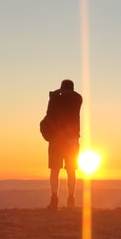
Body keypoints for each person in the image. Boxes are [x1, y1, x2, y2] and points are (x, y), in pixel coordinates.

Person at [40, 79, 83, 209]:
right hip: (72, 140)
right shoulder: (78, 99)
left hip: (57, 140)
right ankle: (71, 198)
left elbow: (49, 113)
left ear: (62, 88)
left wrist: (54, 95)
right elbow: (73, 96)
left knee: (55, 169)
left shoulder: (56, 100)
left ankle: (54, 198)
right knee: (71, 170)